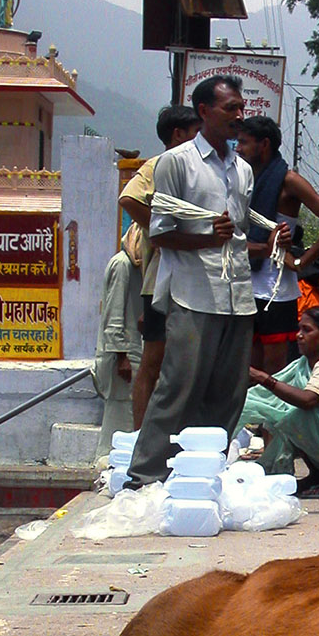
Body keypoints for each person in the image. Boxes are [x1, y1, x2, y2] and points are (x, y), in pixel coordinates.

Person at [125, 76, 255, 488]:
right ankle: (144, 475)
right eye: (230, 108)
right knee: (179, 386)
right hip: (193, 293)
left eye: (240, 107)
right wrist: (205, 238)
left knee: (228, 393)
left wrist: (269, 241)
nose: (238, 116)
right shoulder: (177, 163)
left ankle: (203, 474)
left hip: (237, 295)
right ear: (204, 111)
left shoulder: (243, 170)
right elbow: (160, 235)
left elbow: (236, 235)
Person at [235, 117, 319, 376]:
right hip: (244, 283)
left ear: (264, 144)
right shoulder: (242, 178)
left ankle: (274, 418)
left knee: (274, 371)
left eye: (243, 142)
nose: (237, 148)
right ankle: (249, 417)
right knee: (246, 368)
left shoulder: (288, 181)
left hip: (276, 290)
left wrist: (301, 262)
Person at [118, 104, 202, 427]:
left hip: (195, 279)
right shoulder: (158, 165)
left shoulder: (198, 168)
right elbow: (128, 199)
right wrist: (159, 230)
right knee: (153, 360)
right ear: (178, 135)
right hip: (160, 280)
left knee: (184, 363)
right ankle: (140, 434)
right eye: (195, 133)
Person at [234, 303, 319, 497]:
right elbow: (274, 398)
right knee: (276, 409)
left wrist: (263, 378)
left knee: (296, 414)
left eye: (307, 330)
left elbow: (309, 400)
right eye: (299, 329)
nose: (299, 335)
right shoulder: (302, 364)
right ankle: (317, 474)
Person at [93, 226, 143, 455]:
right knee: (118, 426)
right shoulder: (122, 265)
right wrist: (121, 356)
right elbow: (114, 313)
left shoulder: (140, 268)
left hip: (136, 354)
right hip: (122, 358)